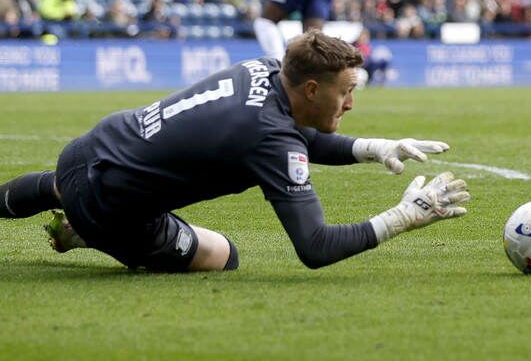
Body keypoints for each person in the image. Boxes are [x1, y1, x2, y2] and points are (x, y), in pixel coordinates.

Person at [0, 31, 469, 272]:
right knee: (225, 256)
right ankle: (87, 231)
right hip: (112, 211)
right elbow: (315, 247)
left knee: (65, 187)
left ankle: (64, 203)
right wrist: (404, 216)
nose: (351, 103)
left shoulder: (264, 69)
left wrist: (376, 147)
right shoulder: (268, 137)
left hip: (87, 151)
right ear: (310, 88)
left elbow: (295, 131)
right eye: (345, 92)